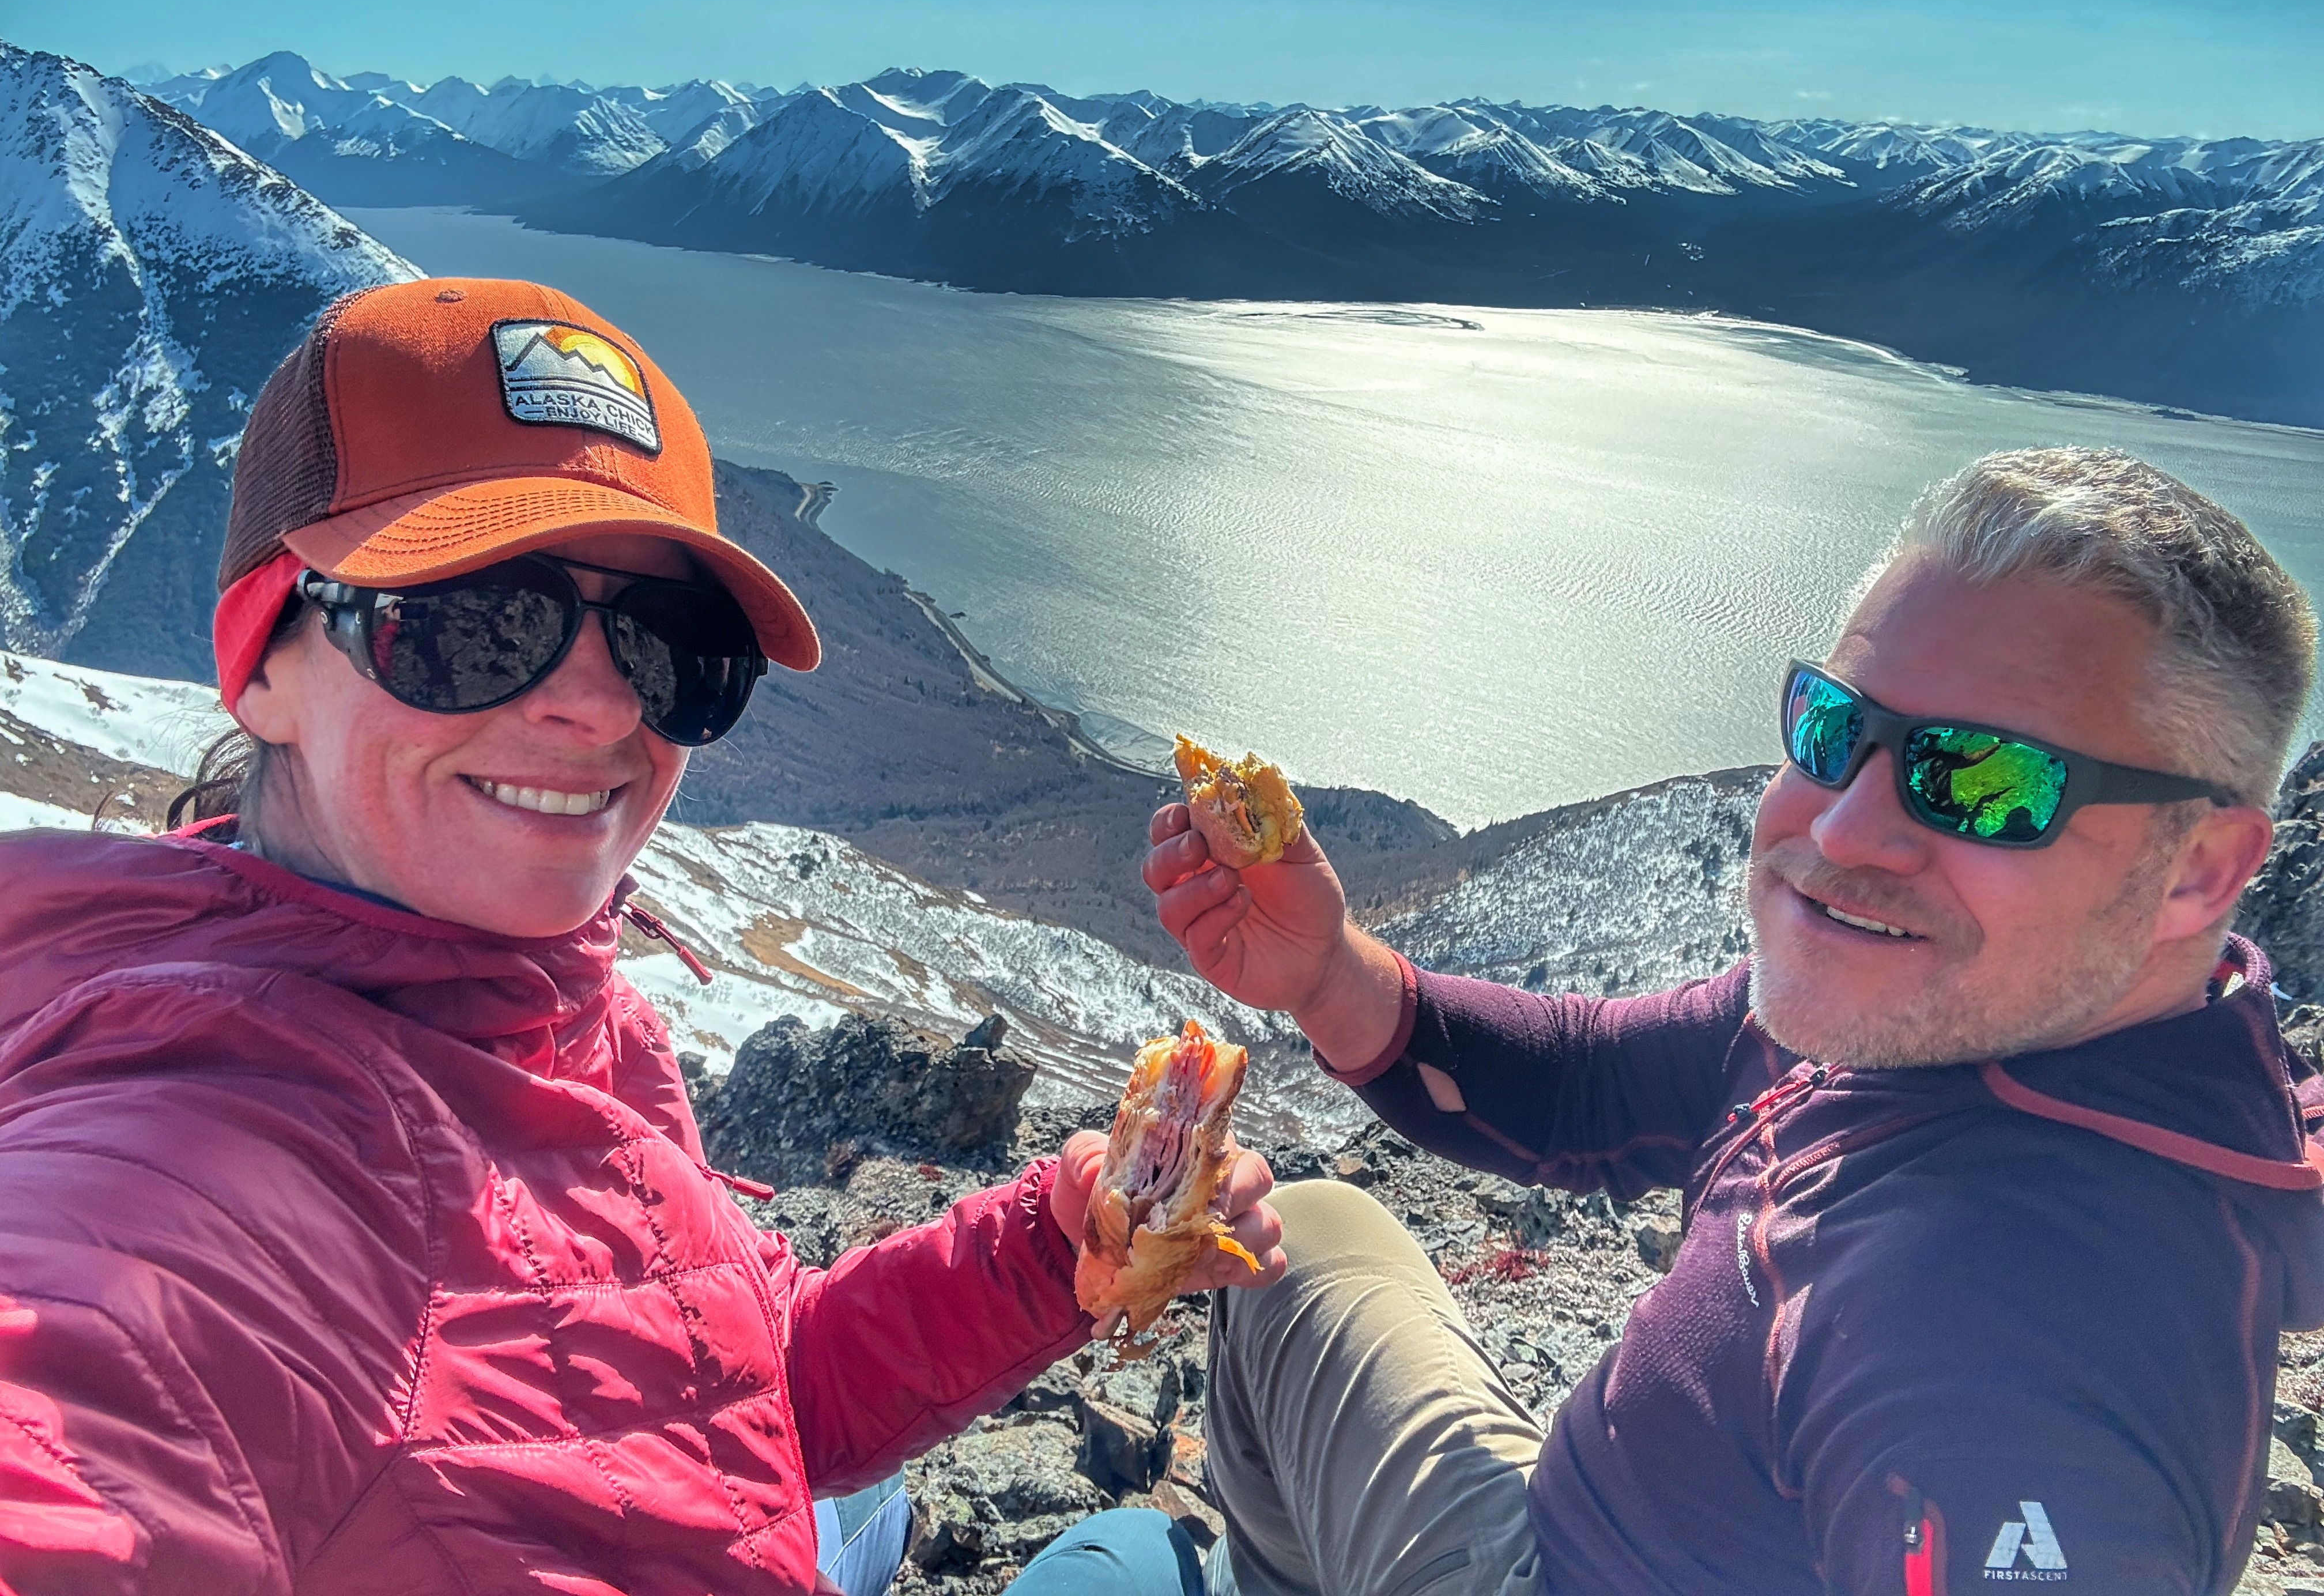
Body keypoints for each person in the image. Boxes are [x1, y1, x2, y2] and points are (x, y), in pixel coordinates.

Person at [0, 277, 1285, 1594]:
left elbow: (717, 1378)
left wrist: (1045, 1254)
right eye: (474, 616)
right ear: (261, 658)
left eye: (671, 640)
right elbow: (91, 1406)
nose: (601, 701)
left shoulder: (545, 1005)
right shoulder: (186, 1155)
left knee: (1138, 1552)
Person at [1149, 447, 2324, 1596]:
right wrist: (1326, 972)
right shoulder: (1944, 1018)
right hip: (1575, 1535)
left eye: (1986, 780)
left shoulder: (2016, 1336)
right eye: (1834, 728)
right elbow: (1594, 1087)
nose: (1846, 830)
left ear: (2200, 871)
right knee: (1308, 1238)